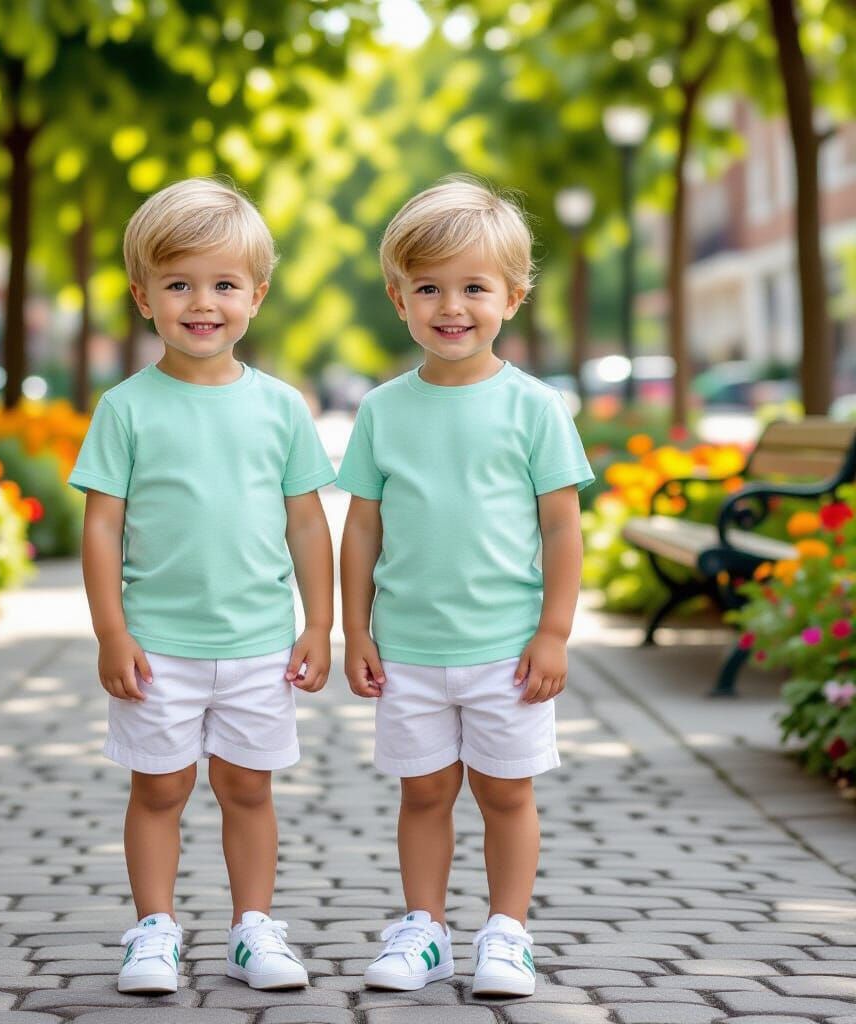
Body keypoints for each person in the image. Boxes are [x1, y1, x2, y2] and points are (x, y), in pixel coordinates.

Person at [69, 178, 336, 995]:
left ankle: (252, 928)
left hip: (257, 641)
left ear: (256, 294)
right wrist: (112, 632)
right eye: (179, 284)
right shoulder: (126, 408)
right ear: (143, 295)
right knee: (160, 788)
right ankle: (154, 930)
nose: (202, 302)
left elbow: (306, 525)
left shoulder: (281, 408)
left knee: (247, 788)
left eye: (223, 284)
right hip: (158, 646)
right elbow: (103, 527)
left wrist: (319, 625)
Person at [337, 177, 594, 997]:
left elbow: (561, 527)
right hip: (409, 647)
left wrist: (553, 632)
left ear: (513, 297)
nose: (453, 306)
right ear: (399, 299)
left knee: (506, 794)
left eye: (475, 287)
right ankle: (425, 930)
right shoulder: (382, 410)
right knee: (424, 794)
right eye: (430, 288)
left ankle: (507, 933)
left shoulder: (536, 408)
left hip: (507, 651)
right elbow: (362, 528)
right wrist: (356, 629)